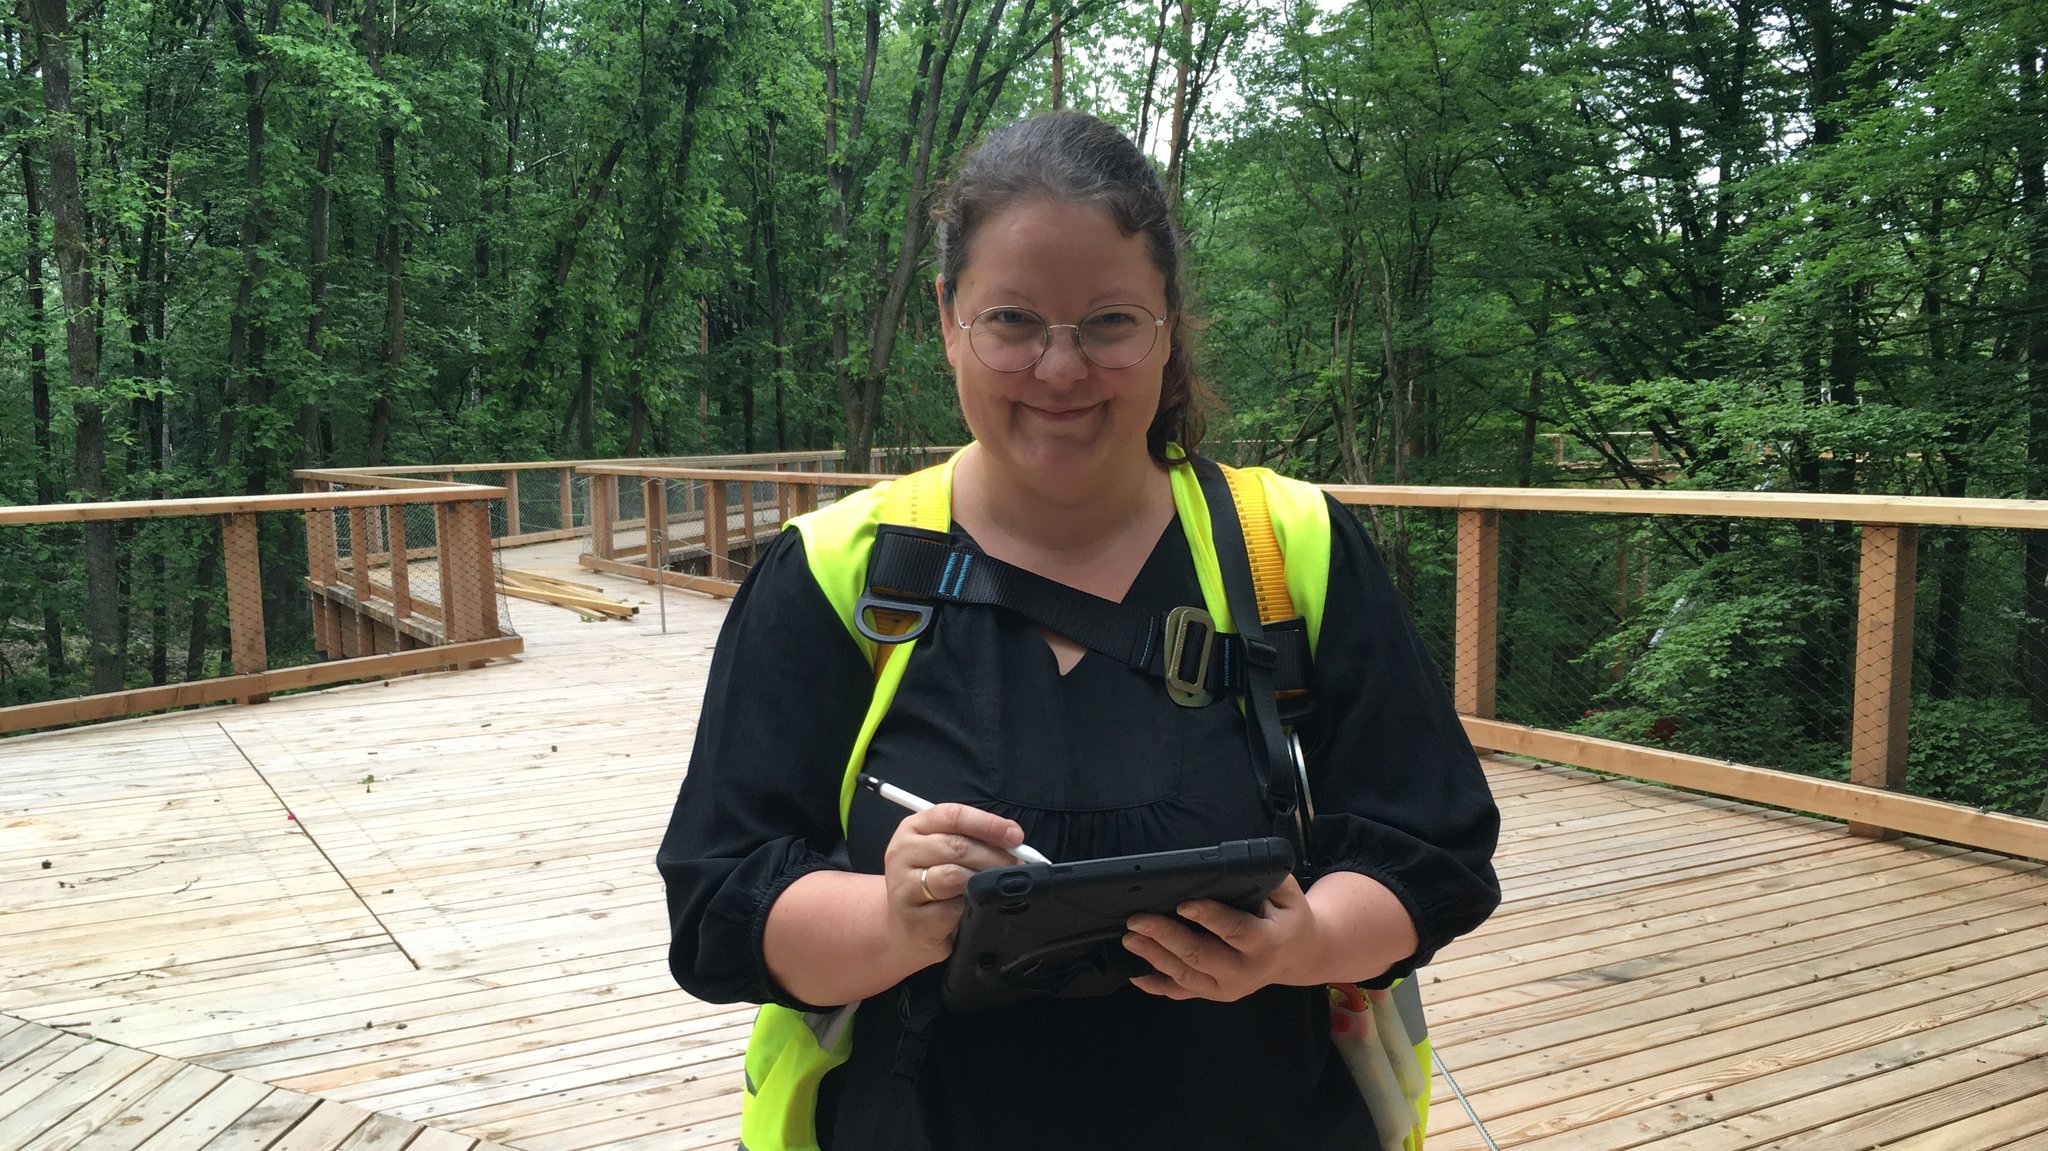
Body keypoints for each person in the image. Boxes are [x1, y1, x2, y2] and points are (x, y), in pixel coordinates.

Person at [657, 109, 1500, 1151]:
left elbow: (1431, 847)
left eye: (1107, 321)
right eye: (1011, 320)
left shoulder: (1289, 548)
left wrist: (1304, 938)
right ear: (945, 319)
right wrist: (891, 917)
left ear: (1168, 324)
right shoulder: (834, 575)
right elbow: (719, 904)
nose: (1059, 369)